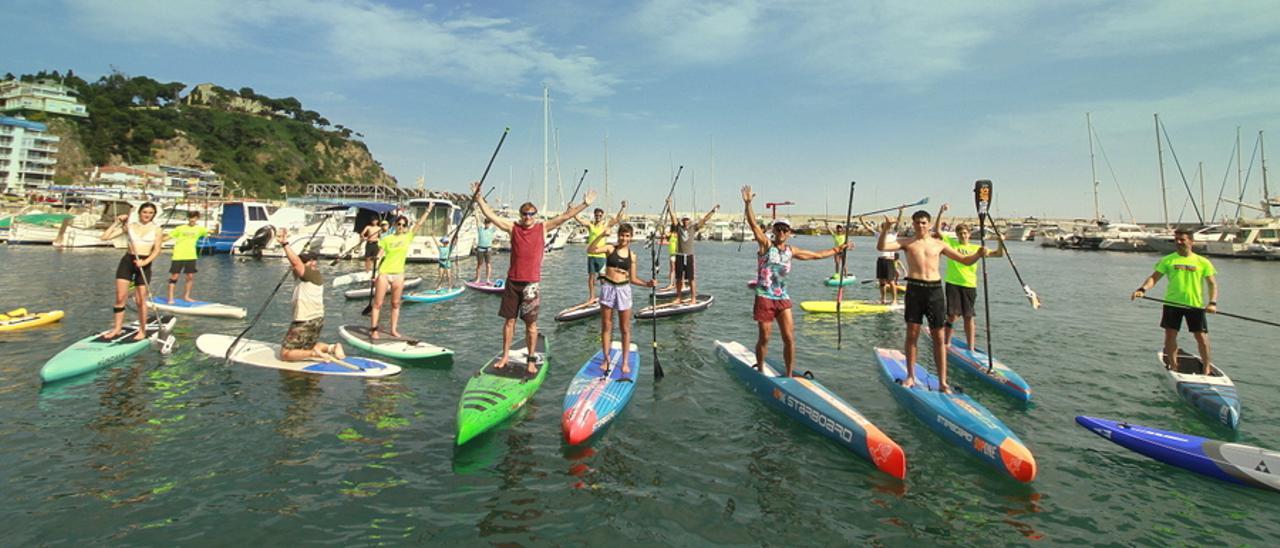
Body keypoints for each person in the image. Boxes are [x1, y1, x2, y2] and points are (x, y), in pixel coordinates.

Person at [473, 181, 597, 373]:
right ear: (521, 215)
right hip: (513, 282)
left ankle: (531, 360)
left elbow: (565, 216)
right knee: (509, 322)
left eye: (531, 214)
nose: (528, 217)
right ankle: (505, 355)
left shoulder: (542, 228)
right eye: (524, 213)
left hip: (531, 284)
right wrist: (479, 198)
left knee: (531, 324)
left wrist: (585, 205)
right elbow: (491, 215)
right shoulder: (513, 228)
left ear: (535, 215)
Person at [877, 207, 987, 393]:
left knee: (939, 336)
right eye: (917, 222)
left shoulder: (939, 244)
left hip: (934, 291)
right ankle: (910, 376)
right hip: (914, 289)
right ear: (913, 224)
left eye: (923, 223)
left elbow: (965, 260)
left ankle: (943, 382)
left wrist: (978, 254)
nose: (920, 225)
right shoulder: (907, 242)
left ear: (928, 224)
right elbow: (881, 247)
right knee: (912, 334)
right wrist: (885, 229)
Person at [743, 186, 849, 377]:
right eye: (779, 229)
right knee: (765, 337)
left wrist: (839, 249)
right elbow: (753, 225)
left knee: (789, 338)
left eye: (785, 229)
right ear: (774, 231)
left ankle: (789, 375)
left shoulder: (791, 251)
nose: (782, 232)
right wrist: (748, 203)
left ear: (789, 232)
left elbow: (816, 255)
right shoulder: (766, 245)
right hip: (764, 297)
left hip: (783, 298)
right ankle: (759, 370)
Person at [1131, 228, 1218, 374]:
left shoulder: (1203, 262)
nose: (1178, 242)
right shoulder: (1168, 260)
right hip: (1172, 304)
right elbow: (1154, 278)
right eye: (1176, 239)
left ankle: (1207, 368)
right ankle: (1173, 365)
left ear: (1191, 241)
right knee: (1170, 335)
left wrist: (1212, 302)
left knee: (1201, 337)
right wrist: (1142, 289)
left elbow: (1212, 284)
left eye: (1182, 239)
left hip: (1194, 305)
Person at [587, 222, 657, 375]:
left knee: (625, 328)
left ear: (631, 237)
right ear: (618, 235)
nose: (624, 238)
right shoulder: (610, 248)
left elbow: (633, 278)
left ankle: (624, 361)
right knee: (606, 325)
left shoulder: (632, 256)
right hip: (608, 288)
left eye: (627, 236)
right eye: (621, 235)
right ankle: (606, 358)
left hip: (624, 290)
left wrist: (647, 283)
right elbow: (590, 250)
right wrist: (601, 235)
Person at [933, 204, 1004, 350]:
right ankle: (947, 342)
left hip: (970, 285)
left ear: (969, 234)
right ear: (957, 235)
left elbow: (998, 254)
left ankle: (971, 347)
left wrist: (1000, 242)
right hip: (953, 283)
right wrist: (940, 212)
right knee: (952, 316)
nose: (963, 235)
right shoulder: (950, 243)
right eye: (960, 233)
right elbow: (938, 230)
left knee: (969, 317)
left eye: (965, 233)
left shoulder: (976, 248)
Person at [276, 228, 345, 361]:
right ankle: (332, 348)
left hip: (304, 320)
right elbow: (296, 265)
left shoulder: (308, 273)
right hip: (317, 319)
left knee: (285, 354)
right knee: (306, 347)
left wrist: (285, 244)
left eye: (308, 261)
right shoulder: (312, 275)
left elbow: (296, 262)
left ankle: (315, 354)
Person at [100, 202, 163, 340]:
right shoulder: (130, 227)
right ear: (140, 212)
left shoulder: (157, 230)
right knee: (120, 297)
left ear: (154, 215)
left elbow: (157, 250)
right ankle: (117, 329)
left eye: (150, 213)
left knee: (141, 300)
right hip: (128, 262)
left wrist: (145, 262)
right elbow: (104, 237)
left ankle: (142, 330)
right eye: (145, 212)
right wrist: (116, 223)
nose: (147, 215)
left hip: (144, 264)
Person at [370, 205, 433, 339]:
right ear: (395, 225)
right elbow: (381, 253)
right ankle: (374, 329)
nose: (401, 227)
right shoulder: (387, 239)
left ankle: (393, 329)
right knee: (378, 303)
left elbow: (419, 224)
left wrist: (428, 210)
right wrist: (375, 273)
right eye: (399, 224)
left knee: (395, 303)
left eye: (404, 225)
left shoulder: (408, 237)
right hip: (385, 273)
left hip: (399, 274)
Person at [665, 199, 719, 303]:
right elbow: (673, 218)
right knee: (679, 279)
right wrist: (669, 205)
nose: (686, 221)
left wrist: (713, 210)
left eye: (687, 219)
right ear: (682, 221)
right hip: (679, 256)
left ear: (690, 220)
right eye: (684, 219)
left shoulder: (694, 228)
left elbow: (704, 220)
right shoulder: (678, 228)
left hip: (689, 256)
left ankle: (693, 298)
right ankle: (679, 298)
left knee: (691, 279)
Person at [572, 203, 627, 306]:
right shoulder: (590, 225)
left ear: (602, 216)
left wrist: (622, 208)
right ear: (594, 215)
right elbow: (578, 219)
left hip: (601, 255)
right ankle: (592, 297)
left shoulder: (605, 225)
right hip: (591, 255)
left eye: (600, 215)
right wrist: (572, 209)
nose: (598, 217)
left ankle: (607, 296)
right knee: (591, 277)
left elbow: (617, 218)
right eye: (597, 215)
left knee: (602, 278)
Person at [165, 210, 209, 303]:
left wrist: (209, 232)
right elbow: (167, 237)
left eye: (194, 218)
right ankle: (170, 298)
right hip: (178, 255)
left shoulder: (200, 229)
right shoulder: (180, 228)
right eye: (191, 217)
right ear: (188, 218)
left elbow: (208, 233)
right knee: (174, 277)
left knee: (190, 277)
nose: (192, 220)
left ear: (197, 219)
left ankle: (186, 297)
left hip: (191, 255)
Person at [867, 209, 906, 305]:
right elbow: (868, 228)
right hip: (881, 260)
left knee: (891, 281)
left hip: (889, 261)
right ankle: (883, 299)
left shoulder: (893, 234)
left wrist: (901, 211)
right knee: (881, 282)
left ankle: (895, 300)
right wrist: (861, 220)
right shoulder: (879, 235)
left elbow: (898, 222)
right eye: (883, 226)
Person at [474, 218, 497, 283]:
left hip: (488, 249)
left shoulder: (491, 230)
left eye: (488, 223)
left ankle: (487, 279)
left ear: (490, 224)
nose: (487, 224)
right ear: (484, 223)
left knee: (488, 264)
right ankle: (478, 279)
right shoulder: (480, 229)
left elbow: (496, 223)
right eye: (486, 223)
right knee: (479, 264)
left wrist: (491, 217)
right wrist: (476, 215)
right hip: (480, 249)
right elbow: (477, 221)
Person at [658, 223, 679, 291]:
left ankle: (673, 284)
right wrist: (662, 228)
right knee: (672, 269)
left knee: (674, 269)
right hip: (672, 254)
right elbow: (664, 236)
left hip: (676, 254)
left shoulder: (677, 235)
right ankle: (672, 284)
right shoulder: (671, 234)